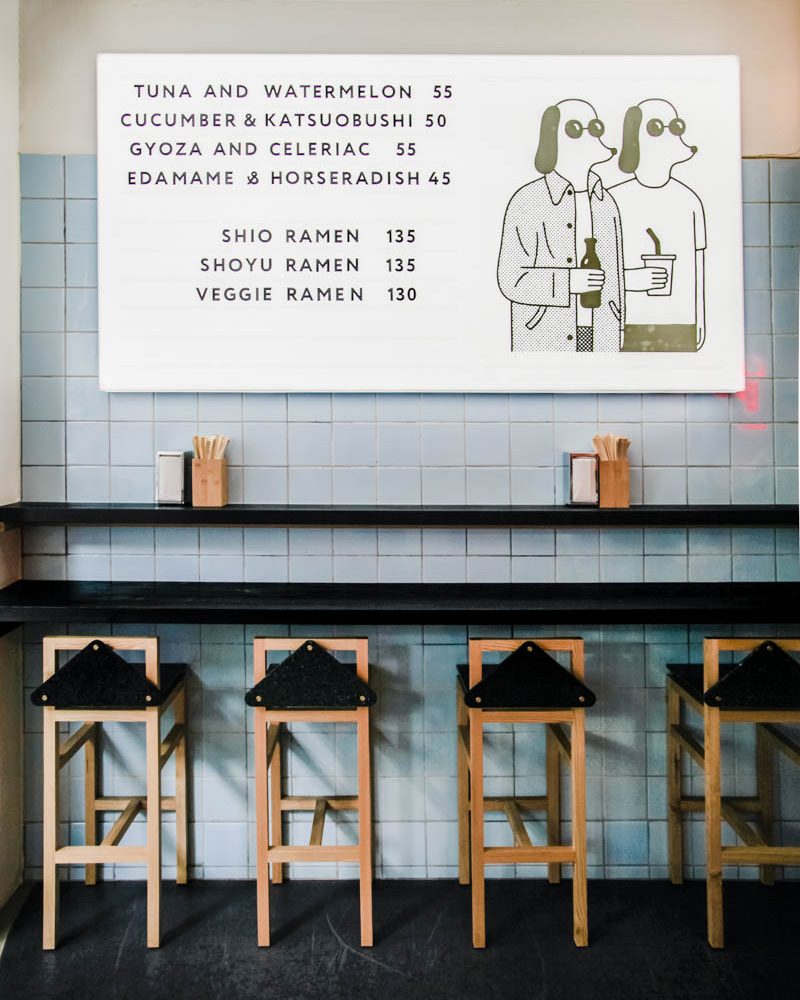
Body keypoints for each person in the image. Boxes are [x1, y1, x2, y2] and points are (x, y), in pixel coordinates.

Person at [497, 98, 625, 352]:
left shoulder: (605, 202)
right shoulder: (527, 201)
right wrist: (567, 282)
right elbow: (510, 279)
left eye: (596, 128)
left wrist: (620, 328)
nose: (594, 136)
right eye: (578, 128)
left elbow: (616, 274)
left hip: (603, 334)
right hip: (545, 336)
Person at [611, 98, 706, 352]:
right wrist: (629, 280)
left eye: (676, 126)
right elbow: (597, 266)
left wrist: (700, 319)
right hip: (626, 322)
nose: (673, 134)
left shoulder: (690, 200)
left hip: (682, 322)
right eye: (657, 127)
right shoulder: (613, 200)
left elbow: (698, 266)